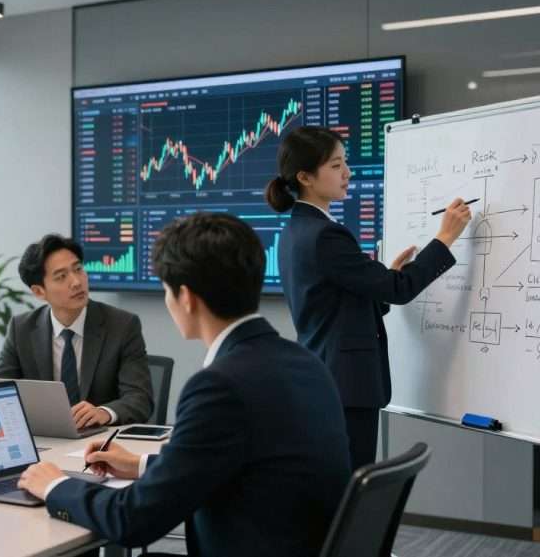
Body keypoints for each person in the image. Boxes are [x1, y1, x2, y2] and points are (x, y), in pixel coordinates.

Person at [18, 213, 351, 556]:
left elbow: (132, 520)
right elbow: (239, 459)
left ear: (186, 298)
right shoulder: (306, 362)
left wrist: (55, 485)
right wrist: (143, 465)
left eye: (166, 289)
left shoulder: (220, 386)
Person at [266, 125, 472, 469]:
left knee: (340, 485)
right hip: (347, 386)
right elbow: (399, 289)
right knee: (350, 489)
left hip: (330, 380)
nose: (347, 173)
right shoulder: (325, 235)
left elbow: (336, 303)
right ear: (306, 177)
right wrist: (445, 238)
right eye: (335, 166)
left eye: (344, 162)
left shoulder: (296, 230)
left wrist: (384, 277)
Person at [0, 234, 153, 429]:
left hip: (100, 442)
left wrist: (103, 412)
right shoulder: (22, 329)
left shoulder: (122, 325)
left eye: (78, 269)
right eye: (61, 277)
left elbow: (140, 398)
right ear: (39, 292)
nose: (76, 282)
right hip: (48, 441)